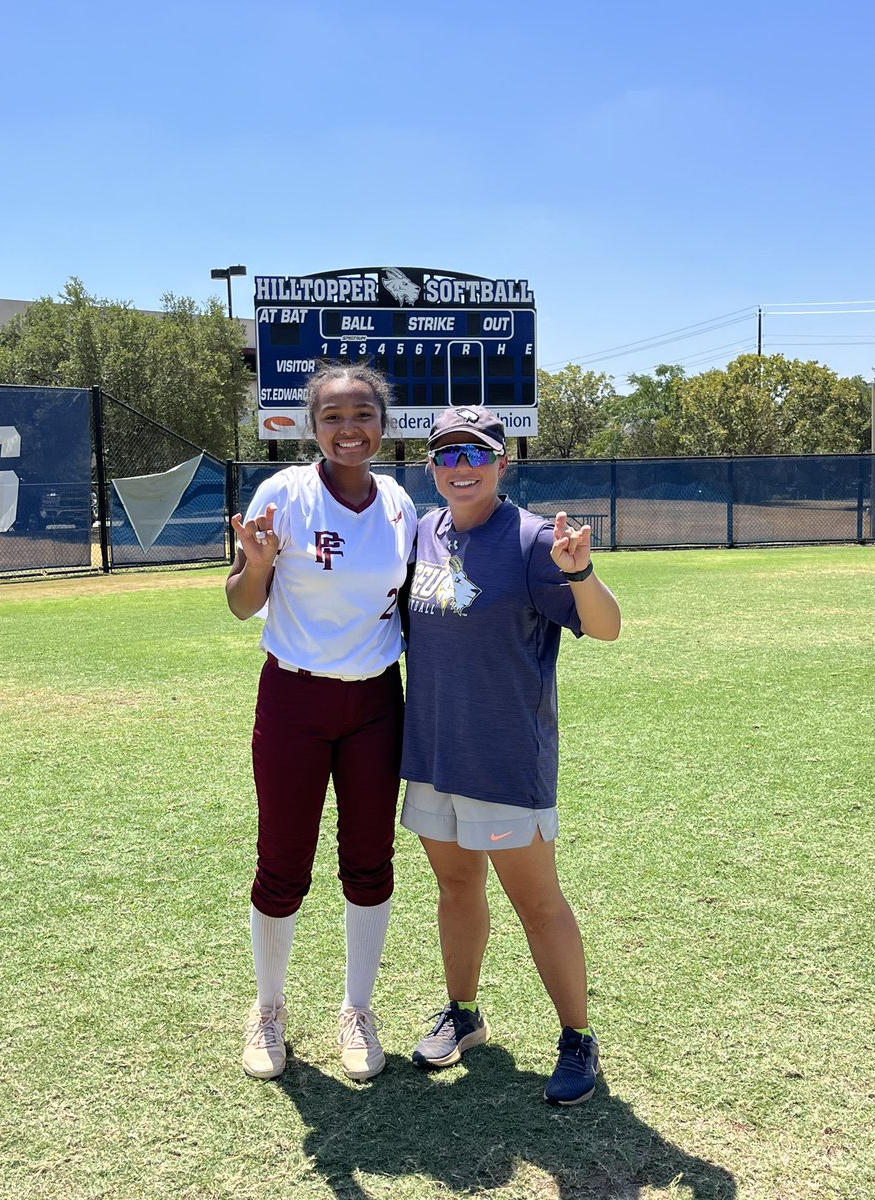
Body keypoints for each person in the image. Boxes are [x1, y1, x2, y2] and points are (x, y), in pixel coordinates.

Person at [400, 406, 621, 1105]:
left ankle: (578, 1038)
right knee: (455, 889)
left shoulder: (529, 539)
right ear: (430, 467)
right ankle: (463, 1015)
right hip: (433, 755)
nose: (460, 469)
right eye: (446, 456)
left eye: (475, 455)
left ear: (502, 463)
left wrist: (581, 572)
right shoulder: (421, 535)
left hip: (503, 761)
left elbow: (607, 629)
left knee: (537, 903)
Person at [226, 363, 416, 1083]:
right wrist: (256, 563)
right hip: (295, 700)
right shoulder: (284, 494)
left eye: (361, 414)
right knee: (282, 861)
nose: (348, 429)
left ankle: (357, 1011)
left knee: (369, 861)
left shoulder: (398, 501)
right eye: (332, 417)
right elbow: (245, 605)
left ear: (382, 423)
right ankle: (268, 1011)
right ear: (313, 427)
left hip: (374, 703)